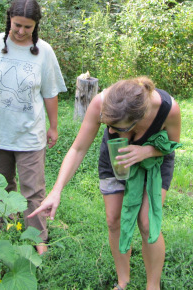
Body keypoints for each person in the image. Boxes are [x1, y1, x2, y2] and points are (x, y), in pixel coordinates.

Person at [28, 77, 181, 288]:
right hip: (115, 158)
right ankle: (123, 281)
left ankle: (152, 285)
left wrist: (145, 151)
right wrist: (57, 190)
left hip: (154, 162)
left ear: (139, 120)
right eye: (107, 125)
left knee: (147, 222)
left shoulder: (168, 109)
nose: (109, 132)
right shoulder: (101, 103)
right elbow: (77, 149)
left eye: (116, 127)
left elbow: (172, 144)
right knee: (113, 219)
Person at [0, 0, 67, 255]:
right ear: (8, 20)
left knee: (33, 189)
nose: (21, 32)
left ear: (36, 26)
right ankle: (3, 231)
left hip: (29, 135)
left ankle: (38, 238)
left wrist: (53, 126)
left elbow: (50, 92)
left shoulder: (44, 51)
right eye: (17, 25)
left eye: (28, 27)